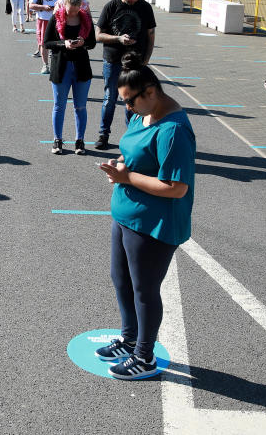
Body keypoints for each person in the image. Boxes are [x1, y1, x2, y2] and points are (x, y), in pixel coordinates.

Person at [95, 52, 195, 380]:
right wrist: (123, 167)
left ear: (150, 91)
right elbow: (135, 153)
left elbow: (176, 187)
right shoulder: (143, 114)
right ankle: (129, 338)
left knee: (144, 289)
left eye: (129, 101)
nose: (127, 108)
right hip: (127, 214)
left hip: (154, 224)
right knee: (121, 280)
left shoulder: (174, 129)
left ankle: (144, 355)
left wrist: (126, 178)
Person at [95, 0, 157, 150]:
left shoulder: (145, 8)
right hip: (113, 60)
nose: (133, 0)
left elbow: (151, 35)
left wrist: (146, 59)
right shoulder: (111, 6)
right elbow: (98, 35)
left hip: (135, 62)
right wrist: (118, 38)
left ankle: (132, 138)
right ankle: (103, 134)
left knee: (132, 100)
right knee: (110, 97)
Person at [43, 0, 96, 155]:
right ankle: (57, 140)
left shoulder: (85, 18)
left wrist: (83, 42)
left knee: (80, 106)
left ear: (80, 6)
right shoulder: (56, 17)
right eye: (70, 10)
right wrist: (63, 43)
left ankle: (79, 141)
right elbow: (47, 42)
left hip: (81, 68)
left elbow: (92, 43)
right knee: (59, 105)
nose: (73, 13)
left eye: (76, 10)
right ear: (64, 4)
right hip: (61, 67)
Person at [29, 0, 67, 74]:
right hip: (43, 19)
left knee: (59, 43)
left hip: (57, 19)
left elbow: (67, 2)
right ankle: (45, 65)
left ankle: (57, 64)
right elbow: (30, 5)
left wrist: (57, 7)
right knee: (43, 43)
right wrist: (43, 7)